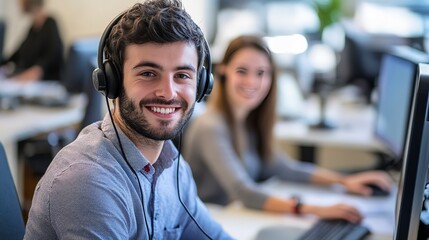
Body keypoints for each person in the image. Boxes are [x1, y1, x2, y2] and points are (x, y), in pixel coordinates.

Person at [24, 1, 232, 239]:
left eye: (183, 75)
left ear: (202, 84)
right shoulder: (87, 180)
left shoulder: (173, 167)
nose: (168, 92)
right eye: (147, 73)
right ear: (112, 81)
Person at [183, 35, 393, 223]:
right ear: (222, 72)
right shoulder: (210, 126)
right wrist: (316, 210)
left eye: (261, 73)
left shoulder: (247, 121)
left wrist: (344, 181)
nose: (252, 81)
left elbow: (284, 168)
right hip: (209, 225)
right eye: (242, 71)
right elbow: (243, 191)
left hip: (235, 219)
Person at [0, 0, 63, 81]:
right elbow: (18, 54)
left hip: (46, 83)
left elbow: (52, 56)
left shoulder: (50, 24)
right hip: (28, 82)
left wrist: (37, 70)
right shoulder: (33, 28)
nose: (18, 3)